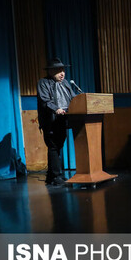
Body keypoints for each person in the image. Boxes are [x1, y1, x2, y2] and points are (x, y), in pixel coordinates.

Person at [37, 57, 78, 186]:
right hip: (51, 120)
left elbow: (73, 98)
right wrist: (56, 109)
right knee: (54, 147)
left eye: (63, 70)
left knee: (58, 146)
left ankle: (51, 176)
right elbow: (45, 101)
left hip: (63, 119)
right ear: (50, 71)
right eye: (59, 70)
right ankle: (56, 176)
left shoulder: (65, 83)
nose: (62, 73)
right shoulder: (43, 83)